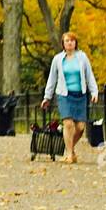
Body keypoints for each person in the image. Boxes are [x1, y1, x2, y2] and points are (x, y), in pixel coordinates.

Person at [41, 31, 99, 163]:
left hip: (80, 95)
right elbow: (52, 79)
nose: (70, 43)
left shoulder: (82, 57)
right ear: (63, 43)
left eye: (72, 40)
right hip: (64, 95)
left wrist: (94, 92)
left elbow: (89, 75)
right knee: (68, 124)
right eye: (67, 41)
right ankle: (68, 154)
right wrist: (47, 97)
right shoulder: (58, 59)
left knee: (80, 127)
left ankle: (70, 149)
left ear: (75, 43)